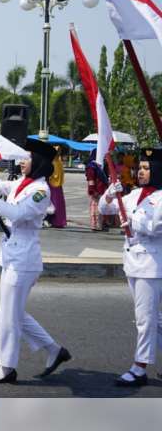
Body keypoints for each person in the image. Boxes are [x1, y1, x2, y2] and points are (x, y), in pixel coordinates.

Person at [0, 138, 71, 384]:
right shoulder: (23, 184)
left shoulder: (40, 191)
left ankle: (6, 367)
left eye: (26, 158)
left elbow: (18, 213)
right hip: (12, 256)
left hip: (24, 260)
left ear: (38, 162)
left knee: (8, 315)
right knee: (14, 313)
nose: (21, 163)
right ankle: (54, 350)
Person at [99, 147, 162, 387]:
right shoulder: (135, 194)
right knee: (153, 319)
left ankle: (140, 367)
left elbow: (156, 227)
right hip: (133, 262)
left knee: (145, 319)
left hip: (152, 264)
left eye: (147, 168)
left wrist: (131, 219)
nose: (141, 172)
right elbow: (106, 209)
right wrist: (109, 193)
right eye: (140, 168)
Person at [85, 149, 109, 231]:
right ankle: (95, 225)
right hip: (96, 190)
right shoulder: (91, 166)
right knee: (95, 208)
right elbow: (90, 179)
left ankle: (99, 225)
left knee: (100, 207)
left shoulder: (98, 165)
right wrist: (92, 190)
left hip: (101, 189)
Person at [46, 147, 67, 228]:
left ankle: (59, 221)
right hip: (51, 185)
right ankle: (52, 220)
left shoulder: (58, 161)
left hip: (58, 186)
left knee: (59, 204)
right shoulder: (51, 161)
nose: (58, 153)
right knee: (53, 203)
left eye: (58, 151)